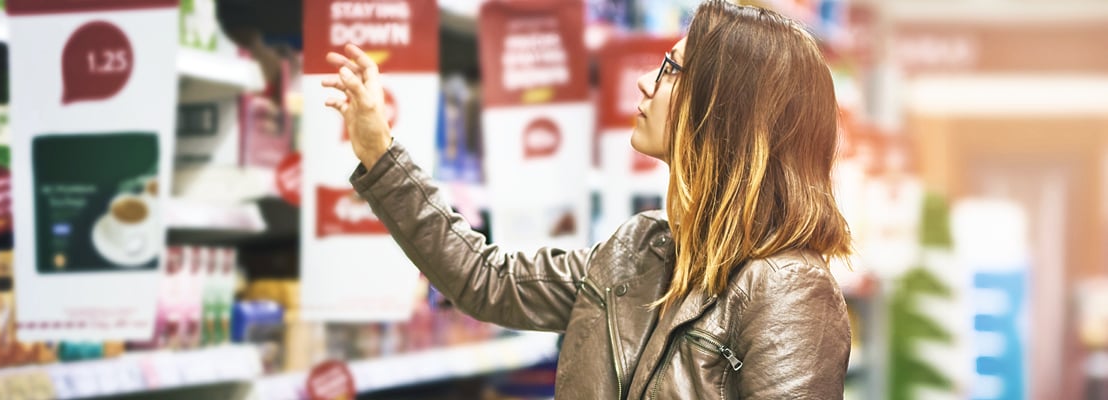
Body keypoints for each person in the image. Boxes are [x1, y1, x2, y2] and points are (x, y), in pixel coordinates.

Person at [321, 0, 853, 398]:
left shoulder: (790, 290)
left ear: (725, 110)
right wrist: (378, 150)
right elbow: (487, 281)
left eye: (671, 70)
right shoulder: (641, 248)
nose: (645, 82)